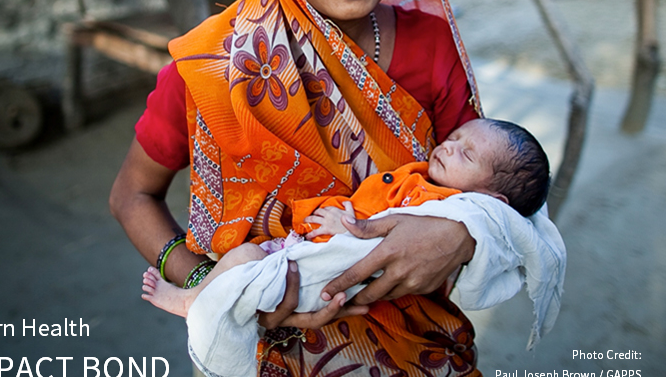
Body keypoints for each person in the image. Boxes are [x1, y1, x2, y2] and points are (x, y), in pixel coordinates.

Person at [110, 0, 561, 377]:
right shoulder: (215, 67)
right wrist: (218, 287)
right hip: (261, 360)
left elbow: (491, 186)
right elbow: (131, 195)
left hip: (419, 365)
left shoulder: (431, 47)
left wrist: (461, 237)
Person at [140, 117, 550, 320]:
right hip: (306, 245)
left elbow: (388, 240)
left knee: (246, 264)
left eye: (467, 154)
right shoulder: (426, 178)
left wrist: (464, 234)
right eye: (455, 137)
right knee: (243, 260)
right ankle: (200, 296)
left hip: (333, 270)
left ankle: (195, 301)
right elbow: (133, 195)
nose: (448, 147)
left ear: (490, 198)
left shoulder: (444, 205)